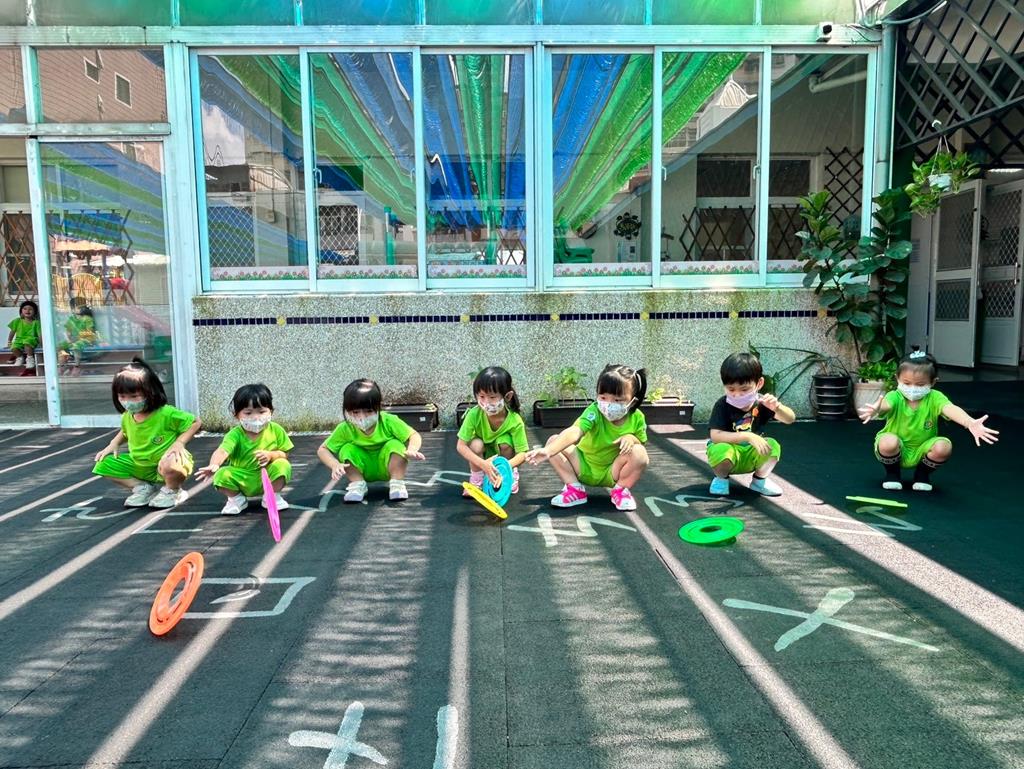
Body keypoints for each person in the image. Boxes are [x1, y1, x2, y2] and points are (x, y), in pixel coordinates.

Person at [858, 350, 999, 491]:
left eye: (920, 385)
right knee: (888, 441)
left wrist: (969, 422)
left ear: (933, 382)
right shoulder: (895, 396)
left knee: (943, 447)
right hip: (897, 446)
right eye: (907, 383)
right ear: (897, 378)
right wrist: (877, 408)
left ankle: (922, 475)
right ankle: (892, 474)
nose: (912, 389)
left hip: (923, 448)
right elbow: (886, 405)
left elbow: (949, 408)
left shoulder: (935, 398)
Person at [525, 364, 649, 511]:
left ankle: (620, 491)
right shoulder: (594, 412)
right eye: (603, 397)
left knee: (639, 453)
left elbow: (641, 442)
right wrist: (548, 451)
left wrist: (631, 438)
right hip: (583, 465)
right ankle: (575, 490)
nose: (608, 405)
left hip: (612, 471)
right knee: (553, 441)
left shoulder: (637, 418)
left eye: (617, 400)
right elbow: (576, 431)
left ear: (632, 401)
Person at [92, 358, 201, 508]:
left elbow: (195, 422)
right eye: (122, 396)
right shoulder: (128, 416)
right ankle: (143, 488)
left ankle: (173, 490)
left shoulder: (165, 413)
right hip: (140, 465)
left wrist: (179, 443)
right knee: (103, 463)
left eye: (134, 396)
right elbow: (126, 431)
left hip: (166, 463)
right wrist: (114, 443)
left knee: (171, 464)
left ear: (150, 392)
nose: (127, 401)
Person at [317, 378, 424, 503]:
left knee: (396, 445)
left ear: (378, 408)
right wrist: (334, 464)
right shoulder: (346, 428)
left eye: (368, 411)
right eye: (356, 412)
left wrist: (412, 449)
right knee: (346, 449)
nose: (362, 417)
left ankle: (397, 483)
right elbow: (323, 449)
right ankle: (358, 484)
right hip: (362, 467)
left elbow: (413, 435)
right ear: (347, 410)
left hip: (387, 465)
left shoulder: (388, 421)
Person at [195, 384, 293, 515]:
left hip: (267, 475)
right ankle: (236, 499)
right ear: (237, 415)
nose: (256, 417)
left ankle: (272, 496)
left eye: (261, 412)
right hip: (242, 478)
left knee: (283, 465)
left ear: (271, 411)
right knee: (221, 475)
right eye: (248, 413)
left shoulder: (276, 430)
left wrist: (271, 455)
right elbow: (223, 450)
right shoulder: (235, 434)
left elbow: (284, 453)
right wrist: (214, 464)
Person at [706, 351, 796, 497]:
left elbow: (790, 419)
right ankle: (721, 479)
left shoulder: (763, 403)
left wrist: (777, 408)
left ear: (759, 383)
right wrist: (747, 436)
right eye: (731, 389)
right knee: (719, 449)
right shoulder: (722, 405)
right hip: (730, 451)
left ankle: (759, 481)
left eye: (744, 389)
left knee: (772, 446)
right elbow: (715, 436)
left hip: (751, 452)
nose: (737, 395)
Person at [457, 366, 528, 496]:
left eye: (492, 397)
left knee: (504, 442)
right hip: (483, 456)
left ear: (508, 396)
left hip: (504, 459)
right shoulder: (474, 414)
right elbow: (461, 446)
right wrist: (482, 464)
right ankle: (477, 480)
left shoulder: (515, 420)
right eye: (481, 396)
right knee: (475, 444)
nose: (486, 402)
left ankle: (508, 476)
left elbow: (522, 453)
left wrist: (505, 467)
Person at [58, 302, 99, 375]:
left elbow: (90, 332)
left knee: (76, 346)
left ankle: (77, 366)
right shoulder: (71, 319)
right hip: (73, 339)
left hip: (87, 339)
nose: (75, 308)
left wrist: (77, 337)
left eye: (78, 307)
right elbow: (68, 331)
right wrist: (68, 338)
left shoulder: (88, 319)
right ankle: (63, 366)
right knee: (60, 346)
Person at [7, 300, 41, 375]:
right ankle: (19, 357)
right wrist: (9, 341)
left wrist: (41, 344)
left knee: (27, 343)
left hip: (32, 339)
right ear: (21, 311)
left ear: (35, 312)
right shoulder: (17, 321)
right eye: (25, 309)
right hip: (19, 340)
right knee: (14, 347)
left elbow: (39, 334)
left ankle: (30, 358)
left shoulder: (36, 322)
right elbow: (12, 332)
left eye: (30, 309)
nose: (27, 311)